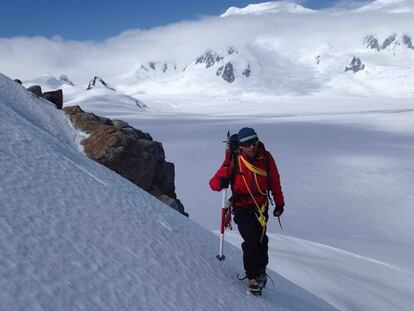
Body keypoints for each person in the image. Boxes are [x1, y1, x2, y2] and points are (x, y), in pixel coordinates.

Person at [209, 127, 285, 295]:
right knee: (251, 239)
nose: (252, 147)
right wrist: (222, 179)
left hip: (261, 206)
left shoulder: (266, 158)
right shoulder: (235, 159)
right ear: (241, 146)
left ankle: (261, 270)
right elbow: (214, 184)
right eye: (247, 144)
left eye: (254, 142)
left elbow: (274, 181)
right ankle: (252, 277)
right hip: (242, 206)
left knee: (261, 241)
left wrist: (279, 203)